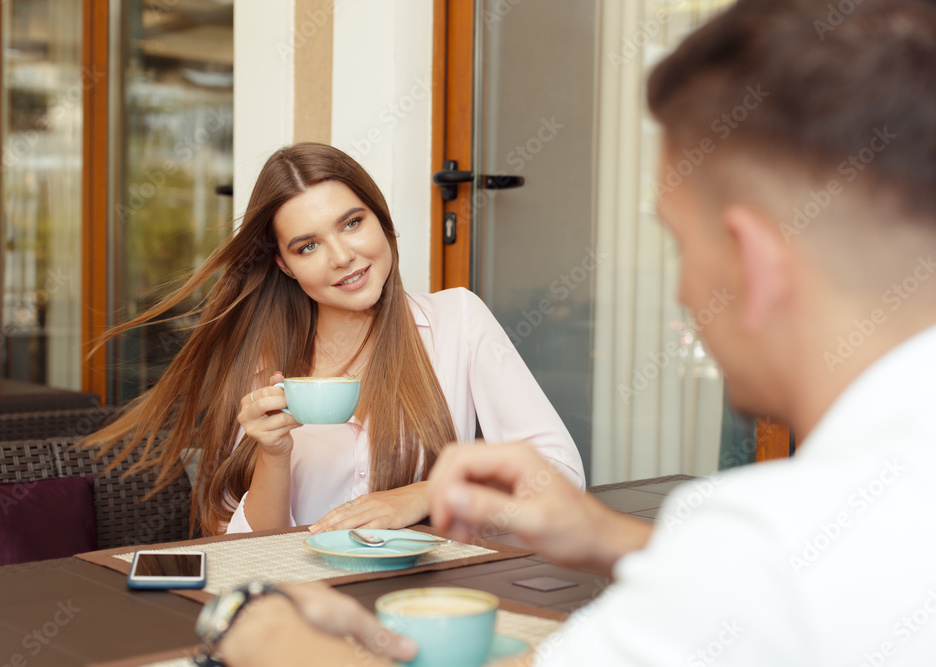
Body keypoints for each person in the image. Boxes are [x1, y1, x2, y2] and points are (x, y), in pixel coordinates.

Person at [208, 0, 936, 664]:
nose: (681, 291)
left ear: (754, 260)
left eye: (679, 244)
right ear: (284, 263)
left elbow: (759, 575)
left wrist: (258, 631)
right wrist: (613, 537)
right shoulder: (819, 526)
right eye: (308, 244)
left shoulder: (765, 541)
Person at [83, 142, 584, 537]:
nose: (342, 256)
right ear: (285, 264)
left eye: (352, 222)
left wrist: (428, 495)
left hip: (427, 603)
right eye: (308, 245)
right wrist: (272, 455)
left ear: (381, 219)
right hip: (309, 613)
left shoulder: (458, 320)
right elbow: (243, 548)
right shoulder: (262, 366)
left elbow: (560, 478)